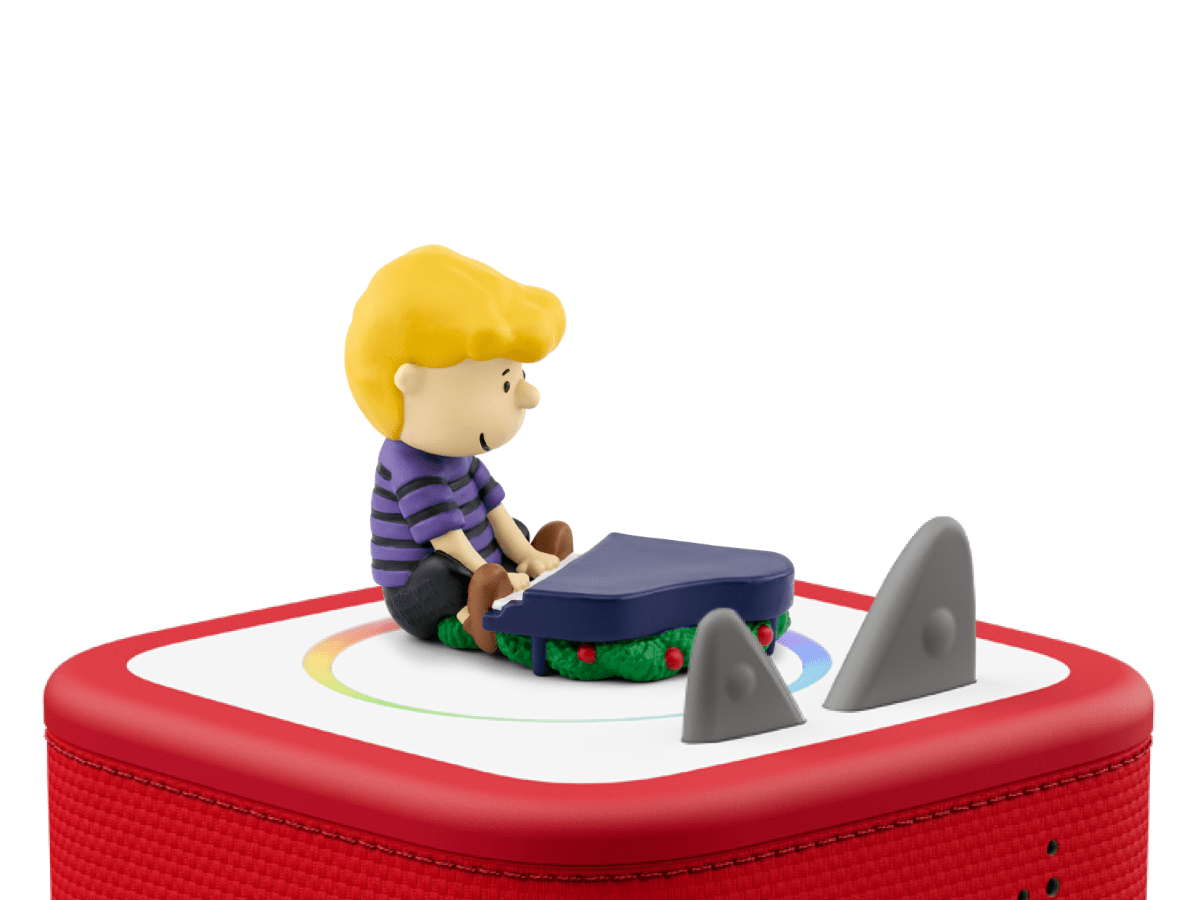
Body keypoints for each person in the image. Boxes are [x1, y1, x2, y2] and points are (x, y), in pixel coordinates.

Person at [345, 245, 571, 652]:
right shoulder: (409, 464)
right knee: (443, 571)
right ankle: (477, 618)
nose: (528, 396)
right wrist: (489, 571)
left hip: (479, 564)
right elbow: (446, 538)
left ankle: (515, 573)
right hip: (419, 593)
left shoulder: (457, 454)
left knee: (510, 527)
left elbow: (492, 506)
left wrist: (525, 553)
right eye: (505, 383)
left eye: (517, 376)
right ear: (409, 382)